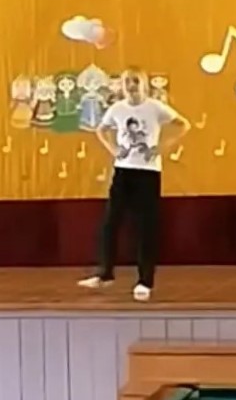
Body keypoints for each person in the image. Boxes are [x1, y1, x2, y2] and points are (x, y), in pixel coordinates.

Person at [78, 68, 190, 301]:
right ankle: (105, 273)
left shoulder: (155, 107)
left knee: (145, 228)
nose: (131, 85)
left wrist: (160, 148)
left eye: (135, 81)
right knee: (110, 222)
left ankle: (144, 281)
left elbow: (183, 125)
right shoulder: (117, 108)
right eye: (127, 81)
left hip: (148, 173)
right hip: (123, 171)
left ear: (144, 84)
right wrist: (113, 149)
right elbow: (101, 129)